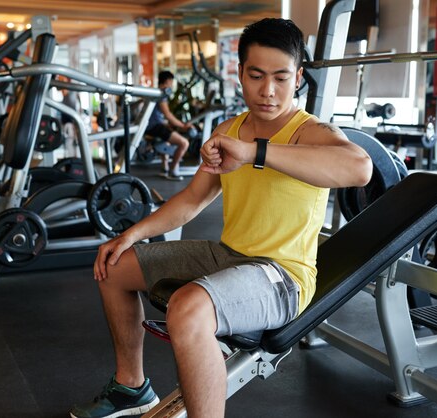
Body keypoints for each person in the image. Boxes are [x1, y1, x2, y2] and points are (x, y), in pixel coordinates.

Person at [70, 18, 372, 418]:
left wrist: (255, 152)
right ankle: (131, 388)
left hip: (283, 276)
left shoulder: (309, 132)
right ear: (240, 74)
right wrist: (131, 235)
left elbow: (360, 168)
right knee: (114, 267)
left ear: (298, 78)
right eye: (257, 75)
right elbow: (193, 198)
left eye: (281, 78)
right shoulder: (230, 128)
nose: (268, 91)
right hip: (227, 253)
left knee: (188, 308)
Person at [145, 70, 192, 181]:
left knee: (167, 137)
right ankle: (173, 171)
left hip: (152, 126)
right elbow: (167, 114)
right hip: (155, 127)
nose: (171, 84)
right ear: (168, 81)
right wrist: (183, 126)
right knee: (184, 143)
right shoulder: (162, 94)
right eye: (171, 82)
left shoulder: (156, 92)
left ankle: (164, 168)